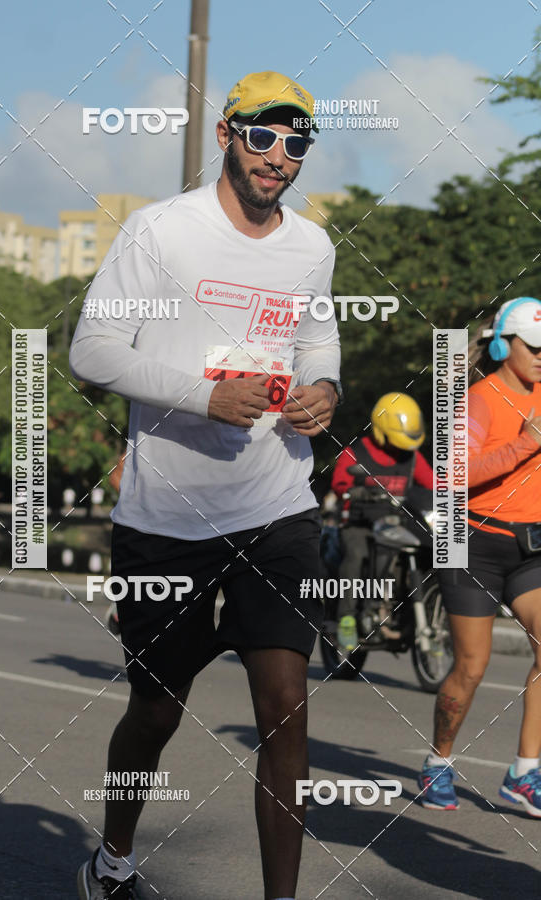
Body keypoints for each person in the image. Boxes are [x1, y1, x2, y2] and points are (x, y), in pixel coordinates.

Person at [70, 70, 342, 899]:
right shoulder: (161, 232)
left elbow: (320, 342)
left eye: (296, 143)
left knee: (286, 705)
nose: (279, 157)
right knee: (155, 712)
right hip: (168, 513)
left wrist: (324, 391)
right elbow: (93, 350)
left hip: (277, 505)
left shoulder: (312, 246)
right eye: (263, 136)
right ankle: (112, 859)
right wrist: (203, 394)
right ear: (227, 134)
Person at [418, 297, 541, 815]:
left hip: (530, 543)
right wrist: (524, 443)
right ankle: (437, 764)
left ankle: (524, 773)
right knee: (471, 665)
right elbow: (455, 476)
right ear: (502, 345)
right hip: (470, 540)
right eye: (533, 346)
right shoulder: (476, 400)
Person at [328, 393, 433, 650]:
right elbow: (340, 483)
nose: (402, 449)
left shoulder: (411, 458)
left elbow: (434, 484)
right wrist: (356, 490)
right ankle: (347, 620)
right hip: (359, 524)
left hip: (397, 523)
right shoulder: (357, 452)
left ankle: (409, 611)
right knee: (356, 556)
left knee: (427, 552)